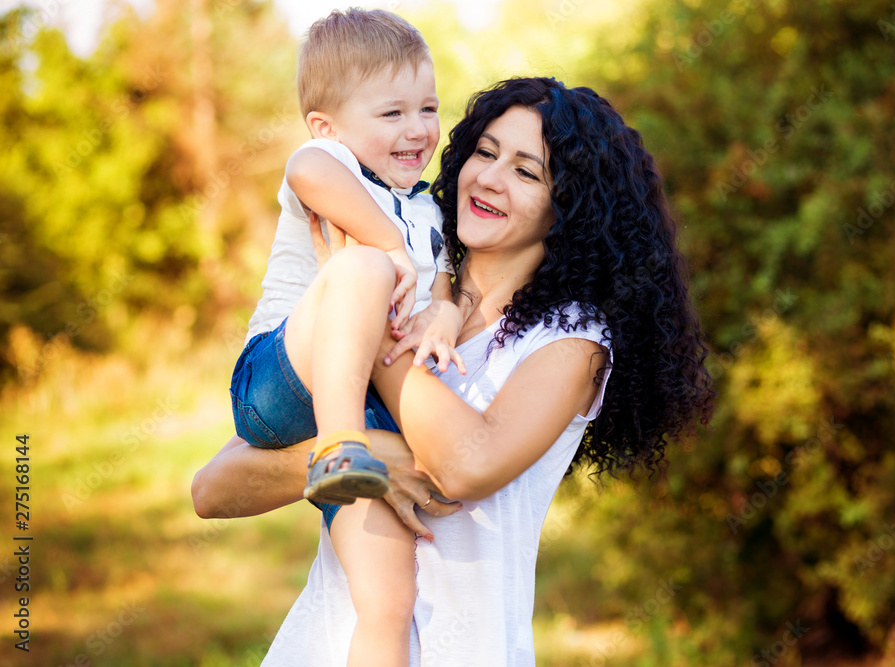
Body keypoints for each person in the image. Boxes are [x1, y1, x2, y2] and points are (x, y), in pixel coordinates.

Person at [193, 77, 715, 665]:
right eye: (485, 152)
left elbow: (468, 466)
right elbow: (213, 489)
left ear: (569, 206)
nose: (489, 178)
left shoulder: (573, 338)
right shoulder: (407, 279)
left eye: (526, 171)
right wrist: (372, 459)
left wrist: (368, 321)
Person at [227, 9, 467, 666]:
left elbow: (448, 281)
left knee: (388, 598)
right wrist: (385, 244)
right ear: (329, 125)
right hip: (276, 378)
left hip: (361, 402)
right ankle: (337, 449)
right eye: (391, 113)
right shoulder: (336, 168)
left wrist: (442, 310)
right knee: (358, 263)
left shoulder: (427, 209)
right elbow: (307, 169)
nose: (417, 128)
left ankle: (347, 454)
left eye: (427, 107)